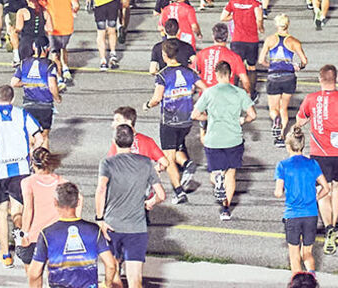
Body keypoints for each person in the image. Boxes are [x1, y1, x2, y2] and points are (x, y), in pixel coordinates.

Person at [297, 63, 338, 255]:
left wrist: (314, 120)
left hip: (320, 153)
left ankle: (328, 227)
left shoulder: (311, 99)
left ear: (319, 79)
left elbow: (300, 121)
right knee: (336, 187)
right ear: (337, 78)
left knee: (322, 190)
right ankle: (333, 224)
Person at [0, 85, 44, 268]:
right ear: (13, 99)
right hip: (21, 168)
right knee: (18, 211)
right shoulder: (21, 113)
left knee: (1, 211)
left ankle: (5, 254)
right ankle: (20, 238)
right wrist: (31, 152)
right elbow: (39, 138)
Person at [96, 124, 166, 288]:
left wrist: (99, 218)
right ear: (133, 141)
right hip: (137, 229)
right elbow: (161, 195)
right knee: (136, 280)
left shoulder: (107, 163)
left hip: (113, 226)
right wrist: (151, 202)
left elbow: (101, 190)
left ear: (114, 141)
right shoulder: (146, 163)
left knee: (113, 273)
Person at [193, 60, 256, 220]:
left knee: (214, 173)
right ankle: (225, 209)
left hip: (213, 139)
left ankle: (217, 179)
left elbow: (195, 114)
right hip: (233, 139)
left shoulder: (209, 93)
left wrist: (208, 117)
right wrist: (243, 120)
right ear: (231, 75)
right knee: (231, 175)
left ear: (216, 75)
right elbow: (253, 115)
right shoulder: (239, 92)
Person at [28, 181, 116, 288]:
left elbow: (34, 273)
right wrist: (107, 284)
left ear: (55, 202)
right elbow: (111, 265)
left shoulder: (47, 234)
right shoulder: (94, 230)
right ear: (78, 202)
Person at [148, 42, 205, 204]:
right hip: (186, 120)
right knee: (177, 146)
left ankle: (179, 191)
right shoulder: (189, 72)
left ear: (165, 56)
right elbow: (205, 88)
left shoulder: (163, 75)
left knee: (169, 157)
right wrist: (200, 107)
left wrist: (147, 105)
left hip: (169, 122)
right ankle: (187, 163)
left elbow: (157, 98)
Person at [274, 129, 326, 273]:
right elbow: (326, 188)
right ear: (302, 145)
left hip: (293, 215)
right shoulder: (313, 164)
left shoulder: (282, 165)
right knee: (307, 253)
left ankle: (297, 282)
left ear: (288, 146)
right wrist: (315, 197)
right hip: (311, 214)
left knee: (294, 255)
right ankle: (312, 278)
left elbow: (278, 193)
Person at [260, 14, 310, 145]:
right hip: (289, 77)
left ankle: (276, 121)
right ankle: (281, 137)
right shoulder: (294, 41)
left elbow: (261, 60)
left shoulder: (270, 40)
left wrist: (270, 66)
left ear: (277, 25)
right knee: (284, 108)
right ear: (288, 25)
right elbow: (304, 61)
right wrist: (298, 66)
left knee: (273, 108)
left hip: (274, 76)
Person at [18, 147, 67, 267]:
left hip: (35, 235)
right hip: (56, 235)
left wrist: (24, 234)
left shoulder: (27, 182)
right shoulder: (61, 181)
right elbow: (79, 199)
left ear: (33, 164)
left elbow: (28, 210)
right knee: (54, 275)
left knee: (33, 275)